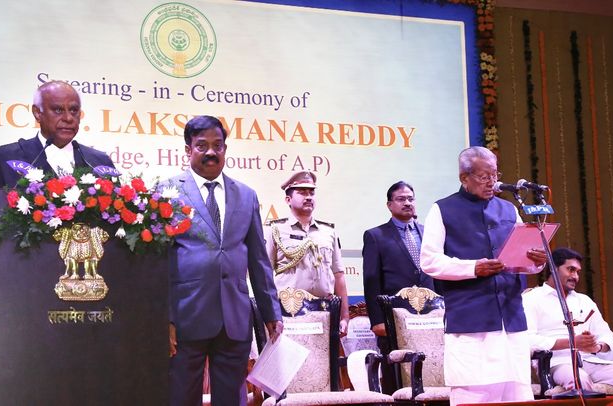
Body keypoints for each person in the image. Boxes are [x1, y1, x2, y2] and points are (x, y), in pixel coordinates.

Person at [0, 81, 115, 363]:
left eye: (74, 110)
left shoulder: (99, 162)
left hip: (89, 303)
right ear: (37, 113)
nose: (68, 117)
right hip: (21, 304)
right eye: (58, 110)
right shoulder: (6, 158)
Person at [165, 115, 283, 406]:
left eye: (218, 145)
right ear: (187, 150)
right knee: (180, 398)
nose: (211, 152)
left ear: (225, 150)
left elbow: (258, 260)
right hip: (184, 318)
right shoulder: (166, 192)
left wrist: (272, 313)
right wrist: (163, 318)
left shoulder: (246, 195)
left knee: (232, 399)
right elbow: (159, 262)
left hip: (234, 316)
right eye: (202, 145)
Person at [419, 146, 547, 405]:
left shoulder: (509, 210)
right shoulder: (442, 209)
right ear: (463, 178)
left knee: (517, 395)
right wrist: (472, 268)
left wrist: (536, 263)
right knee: (474, 395)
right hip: (470, 321)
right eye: (483, 176)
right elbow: (429, 261)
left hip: (511, 320)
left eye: (494, 174)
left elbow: (521, 258)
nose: (492, 182)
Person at [523, 247, 613, 395]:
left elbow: (605, 335)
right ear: (554, 269)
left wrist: (597, 347)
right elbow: (528, 339)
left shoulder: (584, 301)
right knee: (580, 380)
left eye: (578, 272)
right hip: (557, 363)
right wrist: (572, 342)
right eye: (570, 270)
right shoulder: (532, 298)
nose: (575, 276)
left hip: (590, 361)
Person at [362, 181, 435, 393]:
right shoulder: (376, 235)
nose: (407, 203)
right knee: (397, 376)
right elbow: (371, 281)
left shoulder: (428, 232)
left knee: (431, 370)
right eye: (401, 199)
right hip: (393, 320)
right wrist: (377, 321)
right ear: (389, 205)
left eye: (411, 198)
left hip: (430, 318)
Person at [264, 171, 350, 335]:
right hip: (289, 312)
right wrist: (270, 315)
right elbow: (265, 276)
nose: (308, 197)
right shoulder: (274, 230)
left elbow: (338, 275)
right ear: (288, 199)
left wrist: (344, 316)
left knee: (324, 359)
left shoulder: (328, 231)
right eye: (302, 192)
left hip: (324, 311)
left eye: (311, 192)